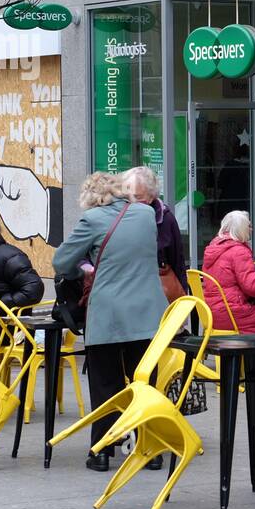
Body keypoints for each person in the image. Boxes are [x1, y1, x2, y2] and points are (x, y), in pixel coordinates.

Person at [53, 172, 168, 472]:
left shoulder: (91, 221)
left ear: (89, 198)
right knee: (145, 382)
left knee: (106, 383)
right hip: (147, 313)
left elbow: (60, 263)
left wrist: (85, 268)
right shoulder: (145, 214)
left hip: (108, 313)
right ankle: (149, 448)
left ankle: (102, 451)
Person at [201, 210, 255, 333]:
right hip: (233, 314)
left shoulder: (213, 249)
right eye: (248, 226)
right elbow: (252, 287)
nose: (251, 229)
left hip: (212, 314)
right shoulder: (239, 251)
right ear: (240, 229)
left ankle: (245, 352)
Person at [121, 165, 188, 298]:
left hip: (154, 292)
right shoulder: (116, 216)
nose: (132, 202)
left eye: (137, 197)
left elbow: (176, 260)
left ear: (151, 197)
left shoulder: (165, 219)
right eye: (127, 198)